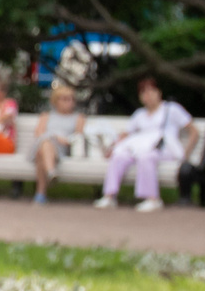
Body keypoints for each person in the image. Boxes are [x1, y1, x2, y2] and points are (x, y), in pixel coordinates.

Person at [97, 76, 192, 212]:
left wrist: (186, 153)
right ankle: (109, 196)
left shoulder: (171, 109)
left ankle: (153, 199)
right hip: (142, 148)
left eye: (151, 91)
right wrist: (113, 147)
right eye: (144, 92)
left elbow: (193, 130)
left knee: (146, 157)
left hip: (164, 149)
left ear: (159, 92)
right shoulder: (139, 114)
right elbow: (126, 134)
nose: (148, 95)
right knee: (119, 157)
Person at [30, 81, 85, 204]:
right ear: (56, 101)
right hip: (45, 145)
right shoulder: (46, 116)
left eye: (71, 99)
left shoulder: (78, 117)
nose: (68, 102)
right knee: (45, 144)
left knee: (42, 152)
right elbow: (39, 133)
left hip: (63, 148)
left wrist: (63, 139)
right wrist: (55, 137)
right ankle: (51, 172)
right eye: (64, 99)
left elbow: (78, 136)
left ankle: (40, 193)